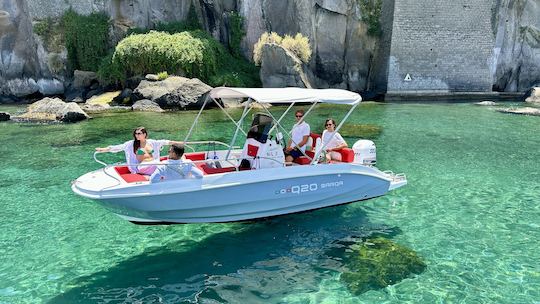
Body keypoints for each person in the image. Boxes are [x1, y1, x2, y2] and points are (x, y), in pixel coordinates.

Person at [95, 127, 183, 174]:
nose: (137, 135)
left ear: (145, 134)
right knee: (163, 165)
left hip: (154, 163)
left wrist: (182, 142)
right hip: (143, 166)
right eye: (135, 134)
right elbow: (118, 147)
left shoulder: (152, 143)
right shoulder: (131, 144)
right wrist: (104, 149)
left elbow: (167, 142)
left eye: (139, 133)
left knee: (165, 164)